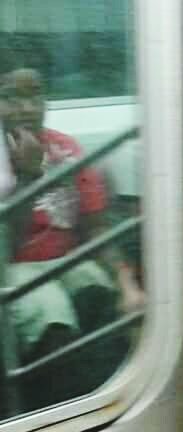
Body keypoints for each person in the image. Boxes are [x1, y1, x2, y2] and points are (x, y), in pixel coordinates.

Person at [0, 68, 143, 406]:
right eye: (11, 98)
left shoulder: (66, 148)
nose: (26, 108)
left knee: (96, 289)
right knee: (49, 312)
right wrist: (29, 175)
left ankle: (109, 400)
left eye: (35, 95)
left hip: (68, 259)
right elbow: (10, 245)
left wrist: (127, 283)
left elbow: (96, 227)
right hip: (16, 267)